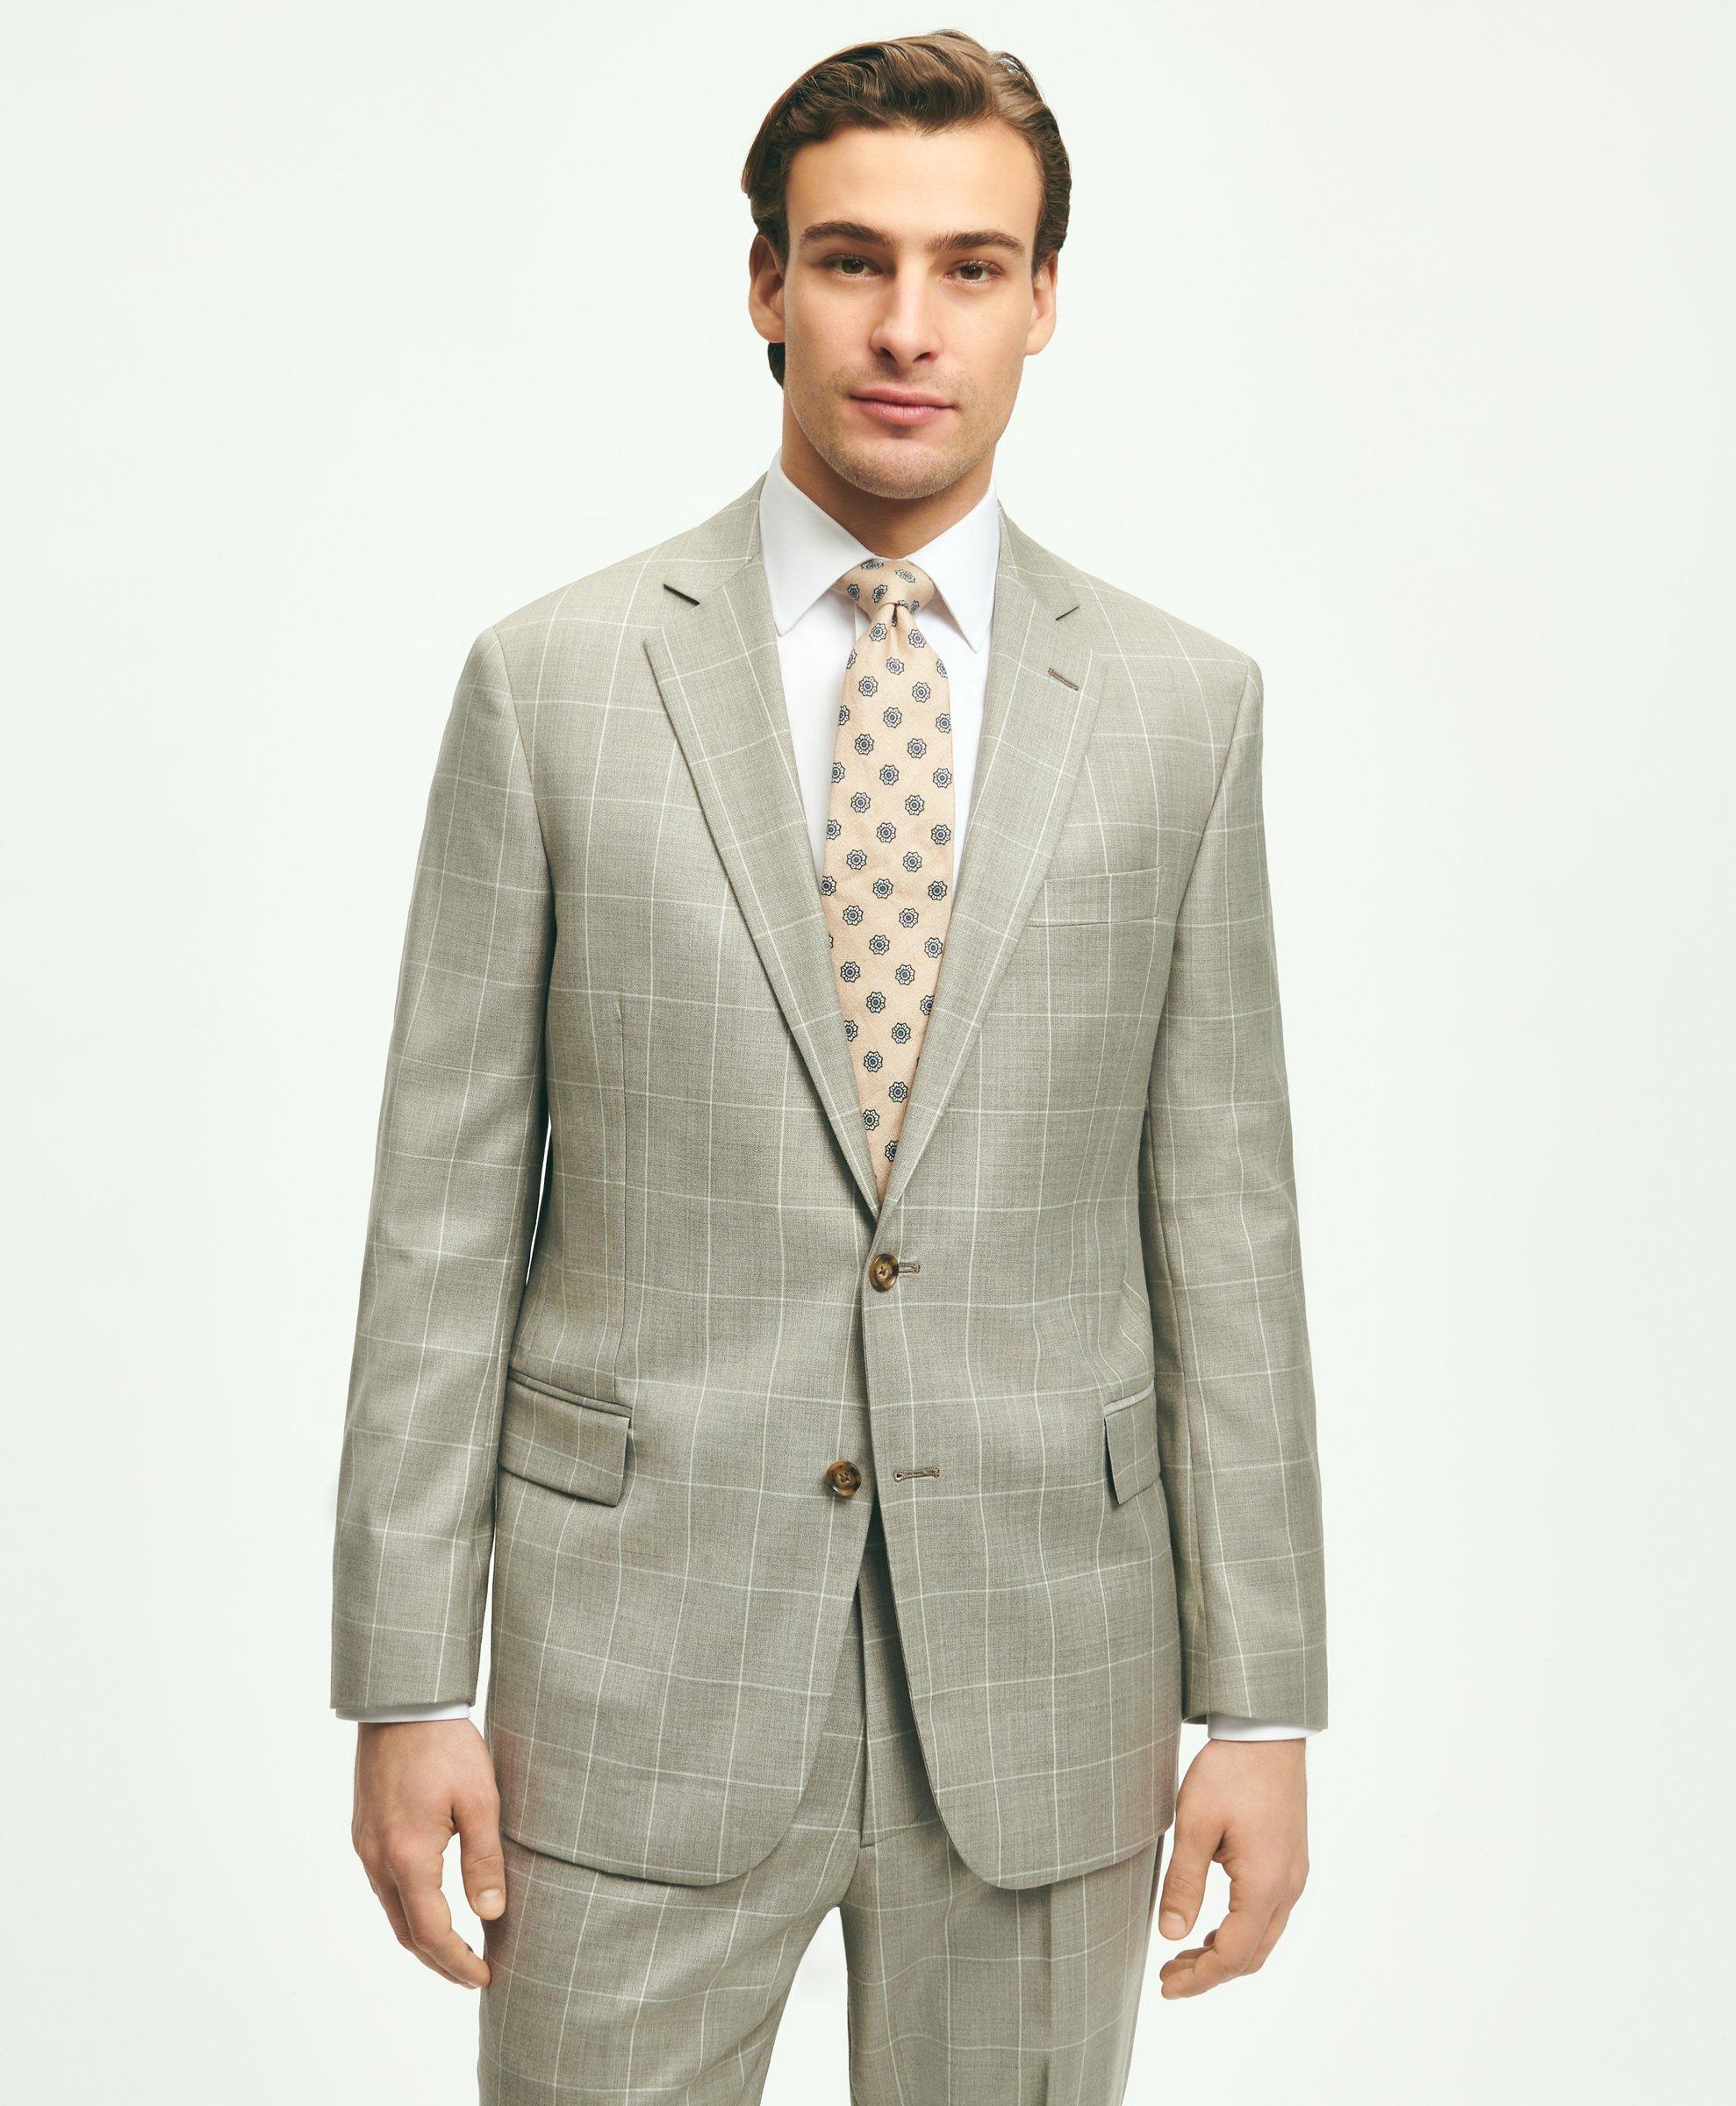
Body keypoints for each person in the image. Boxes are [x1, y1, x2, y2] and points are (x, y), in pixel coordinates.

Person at [331, 28, 1327, 2103]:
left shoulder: (1181, 711)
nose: (905, 326)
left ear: (1043, 301)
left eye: (971, 267)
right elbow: (443, 1219)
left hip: (1046, 1679)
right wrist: (405, 1685)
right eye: (853, 258)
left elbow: (1223, 1225)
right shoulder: (552, 685)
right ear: (764, 282)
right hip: (631, 1676)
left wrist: (1260, 1708)